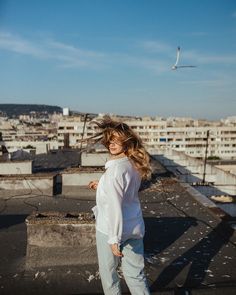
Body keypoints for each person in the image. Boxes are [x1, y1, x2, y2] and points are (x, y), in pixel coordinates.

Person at [88, 116, 151, 295]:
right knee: (136, 275)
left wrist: (114, 239)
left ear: (126, 140)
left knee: (110, 277)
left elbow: (114, 206)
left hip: (110, 229)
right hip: (135, 227)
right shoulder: (134, 163)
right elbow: (125, 191)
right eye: (109, 140)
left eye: (117, 140)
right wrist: (102, 185)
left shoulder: (115, 170)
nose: (112, 144)